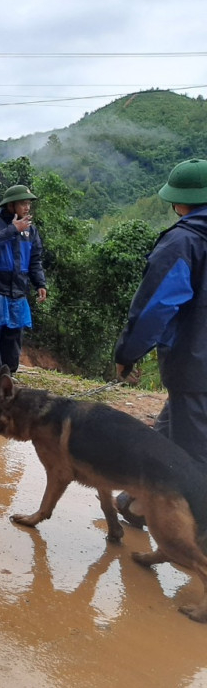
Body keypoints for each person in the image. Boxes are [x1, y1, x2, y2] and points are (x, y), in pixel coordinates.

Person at [113, 158, 207, 527]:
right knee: (166, 436)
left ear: (179, 202)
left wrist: (128, 353)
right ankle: (136, 504)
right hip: (196, 373)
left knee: (195, 457)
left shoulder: (183, 242)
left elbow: (156, 308)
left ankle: (196, 542)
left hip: (196, 367)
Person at [0, 184, 47, 384]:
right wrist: (13, 230)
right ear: (11, 205)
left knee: (14, 333)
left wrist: (40, 283)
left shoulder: (31, 231)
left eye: (29, 203)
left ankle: (8, 375)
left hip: (17, 288)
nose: (27, 207)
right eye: (23, 203)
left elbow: (35, 260)